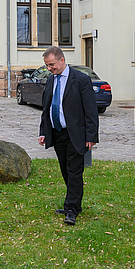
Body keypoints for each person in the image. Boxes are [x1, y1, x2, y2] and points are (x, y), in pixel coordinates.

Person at [38, 46, 99, 226]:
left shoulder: (81, 80)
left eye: (51, 65)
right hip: (58, 134)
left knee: (74, 172)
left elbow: (91, 110)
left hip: (76, 134)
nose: (49, 68)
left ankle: (71, 209)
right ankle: (74, 204)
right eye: (47, 66)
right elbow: (46, 108)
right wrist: (43, 131)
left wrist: (91, 136)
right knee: (65, 170)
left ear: (62, 60)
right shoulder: (51, 80)